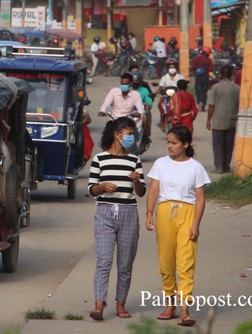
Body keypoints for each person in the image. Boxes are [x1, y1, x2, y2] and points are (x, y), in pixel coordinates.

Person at [145, 126, 210, 327]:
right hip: (165, 213)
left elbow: (200, 199)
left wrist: (196, 225)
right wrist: (149, 213)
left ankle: (184, 309)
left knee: (185, 261)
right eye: (168, 142)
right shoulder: (160, 164)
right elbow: (154, 190)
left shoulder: (196, 167)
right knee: (166, 262)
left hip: (187, 214)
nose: (170, 146)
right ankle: (169, 303)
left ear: (185, 144)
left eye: (174, 143)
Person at [87, 117, 146, 321]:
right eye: (130, 134)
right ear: (117, 134)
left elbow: (141, 192)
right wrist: (102, 187)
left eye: (133, 134)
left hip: (129, 213)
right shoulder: (100, 159)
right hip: (105, 212)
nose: (132, 138)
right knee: (104, 260)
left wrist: (137, 181)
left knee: (125, 263)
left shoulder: (134, 161)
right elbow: (92, 189)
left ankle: (121, 304)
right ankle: (99, 304)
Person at [206, 66, 240, 173]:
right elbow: (239, 104)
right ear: (231, 75)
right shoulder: (237, 87)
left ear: (221, 74)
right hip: (231, 120)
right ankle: (226, 166)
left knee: (217, 145)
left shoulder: (215, 87)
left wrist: (208, 120)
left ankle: (219, 167)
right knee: (228, 145)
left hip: (218, 120)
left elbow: (211, 105)